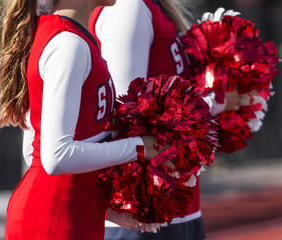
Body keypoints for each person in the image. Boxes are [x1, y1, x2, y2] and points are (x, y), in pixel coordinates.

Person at [0, 0, 169, 239]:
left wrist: (107, 208)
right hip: (53, 218)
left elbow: (34, 149)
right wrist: (140, 146)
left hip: (71, 211)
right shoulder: (68, 44)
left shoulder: (71, 37)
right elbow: (54, 157)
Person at [89, 1, 240, 239]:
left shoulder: (154, 8)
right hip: (141, 211)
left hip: (177, 204)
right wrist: (216, 103)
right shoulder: (129, 8)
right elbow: (124, 114)